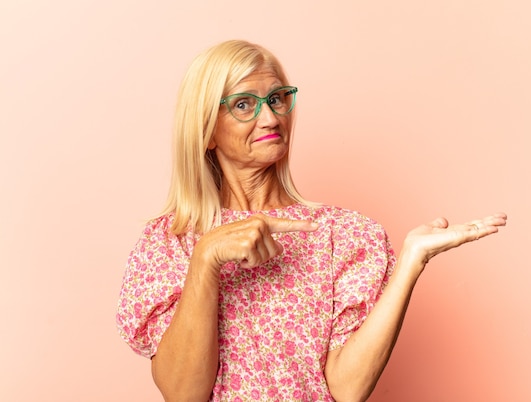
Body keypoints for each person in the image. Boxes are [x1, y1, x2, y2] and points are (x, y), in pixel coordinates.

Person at [116, 39, 507, 402]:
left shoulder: (348, 235)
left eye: (277, 98)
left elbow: (348, 387)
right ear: (207, 132)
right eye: (243, 104)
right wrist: (206, 259)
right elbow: (183, 394)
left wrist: (410, 262)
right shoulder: (171, 244)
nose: (270, 118)